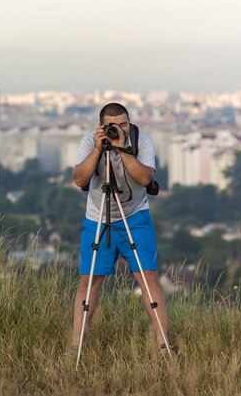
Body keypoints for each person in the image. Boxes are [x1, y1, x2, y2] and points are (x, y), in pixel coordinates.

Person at [66, 102, 171, 358]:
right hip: (97, 216)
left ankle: (163, 345)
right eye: (113, 126)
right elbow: (79, 179)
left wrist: (122, 148)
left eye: (123, 124)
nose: (119, 129)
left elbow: (144, 179)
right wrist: (99, 148)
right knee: (90, 280)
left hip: (135, 216)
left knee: (148, 277)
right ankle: (75, 346)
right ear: (102, 126)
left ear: (129, 121)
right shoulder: (89, 142)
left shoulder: (141, 141)